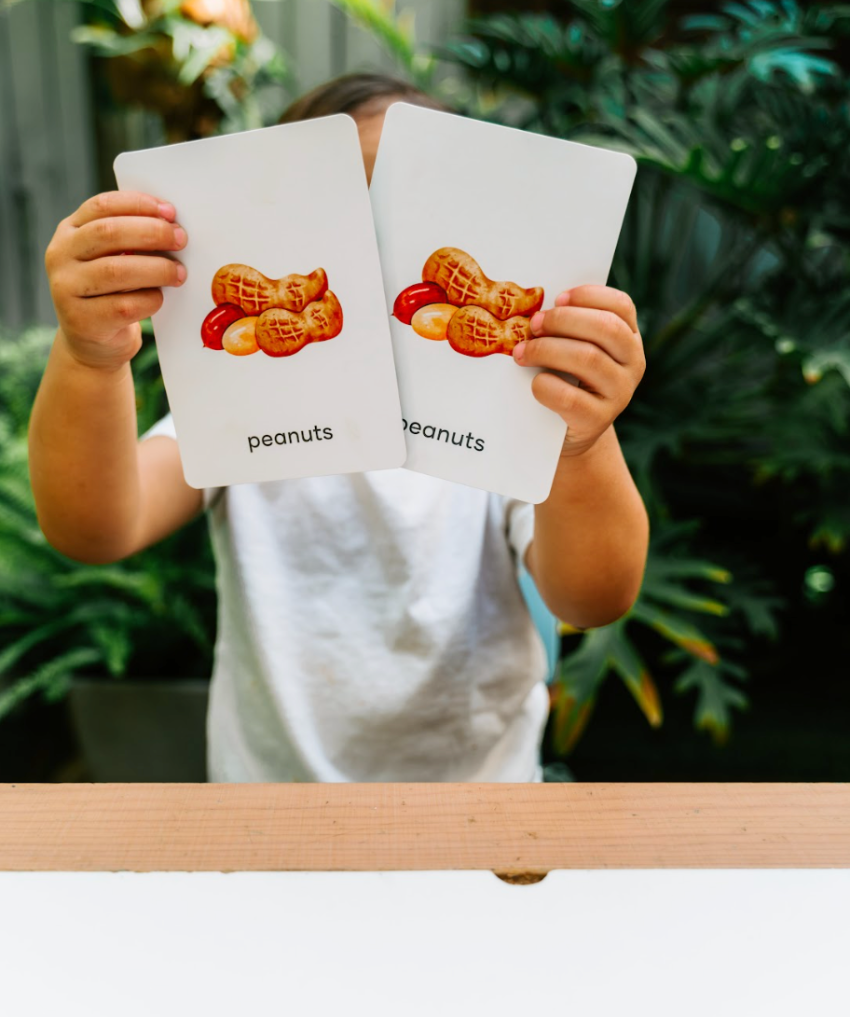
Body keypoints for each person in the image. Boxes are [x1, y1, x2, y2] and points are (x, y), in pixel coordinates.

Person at [28, 73, 648, 783]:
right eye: (349, 208)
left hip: (475, 826)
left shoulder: (507, 411)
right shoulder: (243, 409)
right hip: (272, 829)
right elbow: (95, 525)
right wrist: (89, 356)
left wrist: (582, 438)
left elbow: (594, 594)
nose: (377, 242)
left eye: (410, 205)